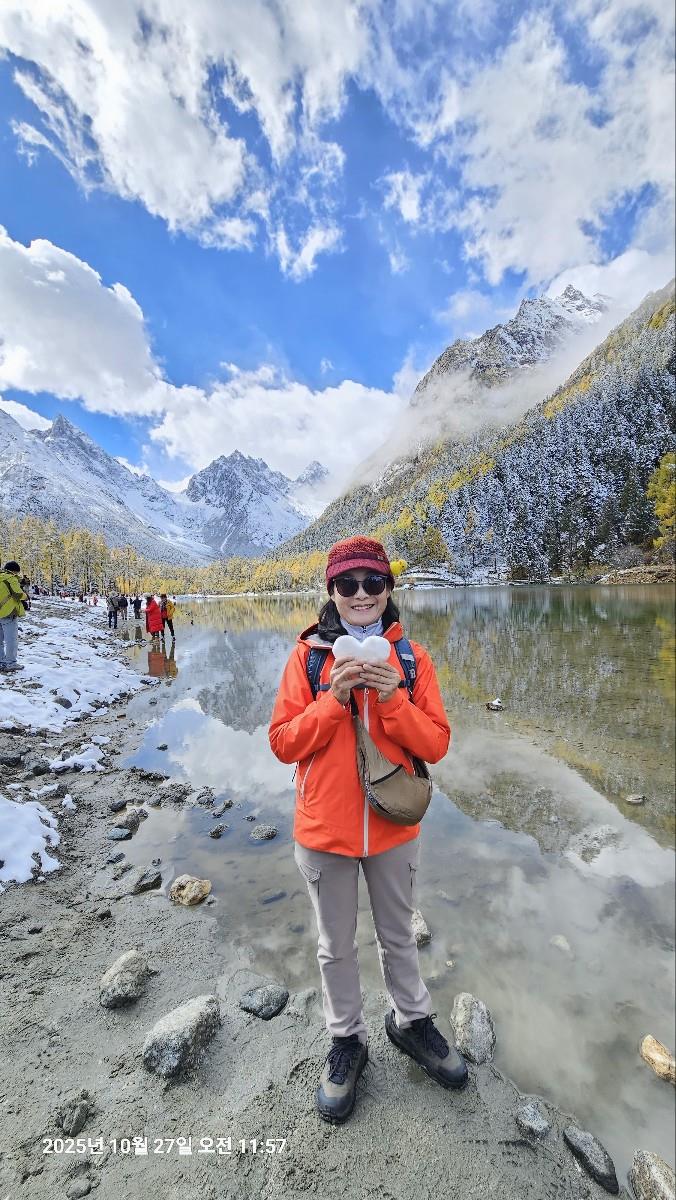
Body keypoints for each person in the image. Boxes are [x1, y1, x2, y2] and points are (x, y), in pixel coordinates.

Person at [269, 536, 467, 1125]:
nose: (361, 594)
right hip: (323, 831)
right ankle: (347, 1039)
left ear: (388, 589)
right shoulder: (308, 658)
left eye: (373, 582)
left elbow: (437, 743)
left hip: (393, 826)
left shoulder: (411, 659)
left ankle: (411, 1022)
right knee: (334, 946)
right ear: (332, 591)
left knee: (399, 936)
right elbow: (283, 743)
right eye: (348, 584)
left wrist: (392, 700)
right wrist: (333, 699)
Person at [0, 560, 28, 673]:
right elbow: (17, 594)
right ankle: (11, 663)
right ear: (14, 571)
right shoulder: (11, 578)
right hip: (8, 612)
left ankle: (1, 662)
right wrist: (26, 596)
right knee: (11, 639)